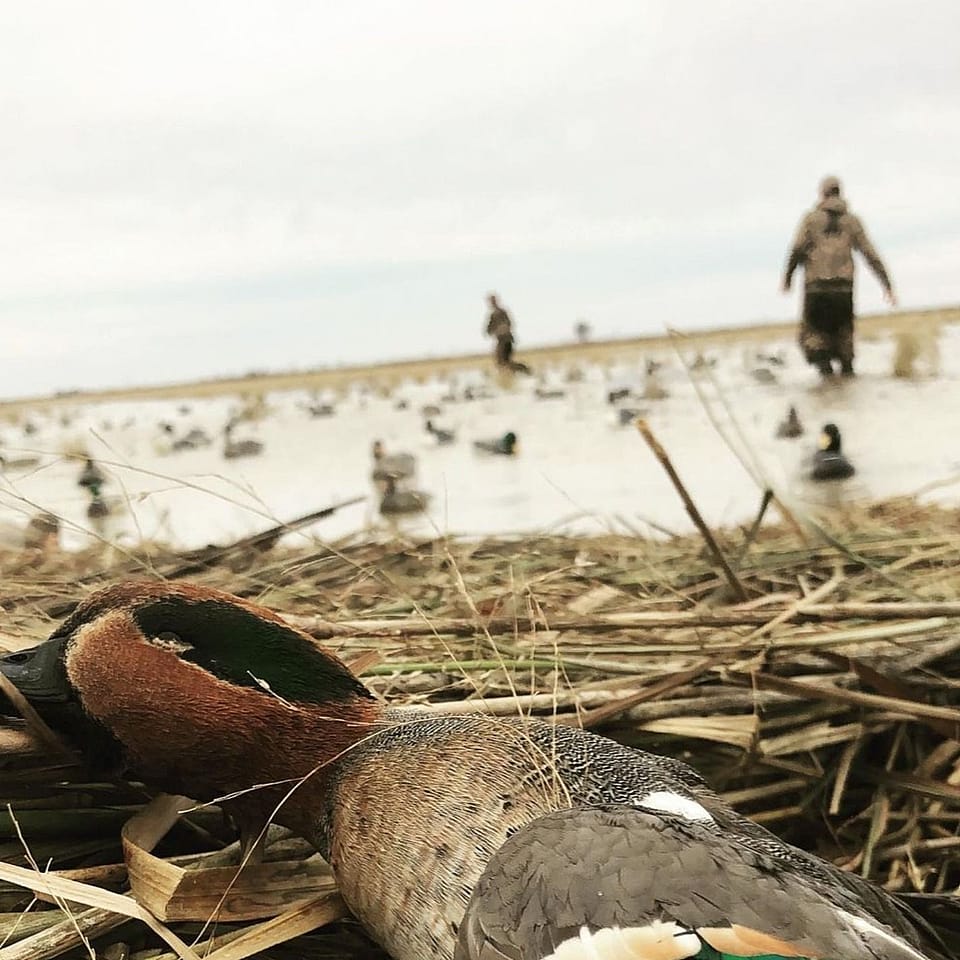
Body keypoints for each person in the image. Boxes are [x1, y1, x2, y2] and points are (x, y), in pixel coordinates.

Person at [782, 176, 896, 377]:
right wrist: (886, 285)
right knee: (844, 340)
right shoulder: (852, 221)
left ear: (822, 194)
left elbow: (797, 249)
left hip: (816, 288)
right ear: (839, 193)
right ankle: (846, 383)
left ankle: (829, 386)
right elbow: (870, 253)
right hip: (843, 289)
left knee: (815, 341)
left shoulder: (810, 220)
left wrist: (788, 278)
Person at [485, 294, 531, 374]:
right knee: (501, 363)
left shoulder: (502, 312)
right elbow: (489, 329)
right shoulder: (493, 315)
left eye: (493, 301)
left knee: (505, 362)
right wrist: (494, 331)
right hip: (500, 340)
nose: (492, 303)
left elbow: (509, 324)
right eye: (491, 301)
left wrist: (502, 329)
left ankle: (525, 370)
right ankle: (519, 372)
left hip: (506, 340)